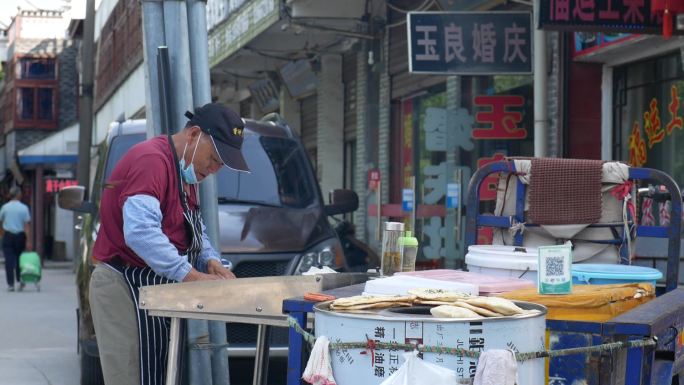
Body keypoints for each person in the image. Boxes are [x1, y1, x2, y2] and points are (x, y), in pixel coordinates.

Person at [89, 103, 249, 385]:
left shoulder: (186, 172)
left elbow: (194, 226)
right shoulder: (152, 160)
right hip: (122, 285)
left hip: (152, 285)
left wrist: (209, 260)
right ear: (194, 134)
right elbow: (140, 232)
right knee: (131, 378)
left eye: (220, 165)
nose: (214, 170)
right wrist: (190, 275)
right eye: (213, 159)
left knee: (161, 376)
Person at [0, 185, 32, 292]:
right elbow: (26, 225)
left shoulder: (5, 207)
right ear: (19, 195)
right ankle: (19, 281)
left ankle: (10, 284)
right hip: (20, 236)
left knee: (9, 260)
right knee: (19, 259)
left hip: (8, 236)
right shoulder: (24, 208)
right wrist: (28, 240)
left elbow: (1, 221)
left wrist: (2, 233)